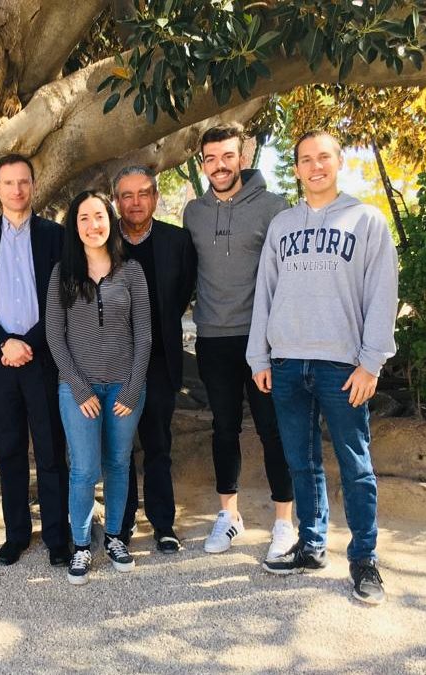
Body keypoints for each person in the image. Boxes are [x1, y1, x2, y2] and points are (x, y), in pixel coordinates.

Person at [248, 130, 399, 605]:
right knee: (301, 461)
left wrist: (372, 362)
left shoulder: (367, 221)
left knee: (356, 465)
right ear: (296, 169)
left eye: (324, 158)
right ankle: (312, 546)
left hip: (343, 365)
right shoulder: (282, 226)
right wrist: (259, 355)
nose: (315, 167)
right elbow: (264, 294)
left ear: (339, 163)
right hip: (288, 362)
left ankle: (364, 560)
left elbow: (383, 295)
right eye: (306, 160)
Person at [182, 123, 297, 560]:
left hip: (263, 342)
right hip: (213, 338)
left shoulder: (274, 207)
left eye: (227, 156)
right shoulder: (194, 212)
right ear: (203, 163)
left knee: (272, 430)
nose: (219, 166)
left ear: (242, 157)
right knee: (223, 428)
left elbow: (288, 275)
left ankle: (284, 522)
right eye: (210, 159)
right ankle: (228, 516)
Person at [0, 155, 70, 567]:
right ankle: (17, 535)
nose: (17, 190)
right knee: (8, 451)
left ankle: (57, 538)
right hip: (1, 362)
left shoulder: (54, 237)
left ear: (34, 184)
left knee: (49, 451)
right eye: (8, 183)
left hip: (43, 359)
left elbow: (63, 298)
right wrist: (5, 343)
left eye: (23, 182)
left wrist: (28, 342)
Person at [46, 190, 152, 585]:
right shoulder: (63, 273)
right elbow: (56, 337)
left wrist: (132, 387)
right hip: (79, 390)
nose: (94, 225)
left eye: (100, 216)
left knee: (119, 464)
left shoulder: (132, 271)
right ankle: (80, 546)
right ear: (75, 227)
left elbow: (144, 336)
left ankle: (114, 537)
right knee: (85, 469)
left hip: (125, 388)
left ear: (111, 220)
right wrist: (78, 387)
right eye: (84, 218)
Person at [113, 166, 196, 554]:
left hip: (160, 360)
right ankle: (122, 523)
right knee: (121, 446)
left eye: (142, 193)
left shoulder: (177, 241)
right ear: (116, 201)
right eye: (126, 195)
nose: (135, 202)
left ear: (155, 197)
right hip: (113, 362)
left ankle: (163, 524)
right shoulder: (103, 239)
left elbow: (180, 294)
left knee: (158, 443)